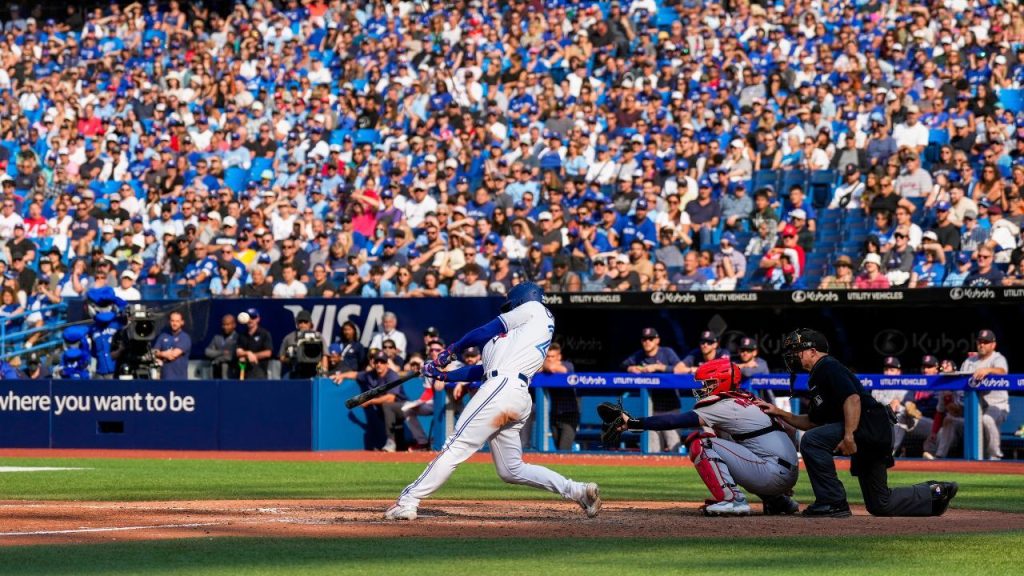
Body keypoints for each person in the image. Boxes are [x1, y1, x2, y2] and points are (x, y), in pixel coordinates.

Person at [383, 282, 600, 521]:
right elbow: (481, 370)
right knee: (511, 469)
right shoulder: (514, 338)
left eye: (510, 304)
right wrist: (443, 375)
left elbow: (487, 329)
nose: (507, 309)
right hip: (514, 395)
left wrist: (450, 350)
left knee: (455, 446)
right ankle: (578, 491)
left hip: (503, 388)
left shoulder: (535, 308)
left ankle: (408, 500)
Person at [757, 329, 958, 517]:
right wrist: (778, 412)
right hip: (872, 428)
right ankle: (935, 494)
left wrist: (849, 435)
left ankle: (832, 501)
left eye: (797, 350)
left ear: (812, 351)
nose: (793, 355)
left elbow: (852, 399)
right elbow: (812, 421)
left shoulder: (827, 366)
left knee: (812, 441)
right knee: (880, 503)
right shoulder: (818, 374)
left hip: (869, 427)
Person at [602, 358, 800, 516]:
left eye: (709, 383)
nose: (704, 387)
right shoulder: (748, 398)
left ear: (722, 381)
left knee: (701, 442)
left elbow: (675, 421)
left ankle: (733, 501)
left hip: (772, 473)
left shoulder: (723, 404)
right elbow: (789, 431)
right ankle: (778, 501)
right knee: (724, 437)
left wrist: (632, 423)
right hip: (782, 471)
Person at [620, 327, 684, 452]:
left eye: (650, 339)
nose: (647, 342)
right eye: (644, 339)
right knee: (653, 451)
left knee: (674, 447)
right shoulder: (639, 356)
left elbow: (679, 369)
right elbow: (623, 365)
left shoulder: (667, 352)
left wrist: (657, 367)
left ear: (657, 340)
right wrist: (631, 369)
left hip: (670, 409)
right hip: (650, 410)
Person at [960, 329, 1010, 460]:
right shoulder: (970, 361)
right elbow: (960, 379)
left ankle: (995, 456)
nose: (982, 344)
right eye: (980, 341)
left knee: (987, 419)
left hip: (997, 405)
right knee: (952, 421)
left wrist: (988, 369)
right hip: (974, 405)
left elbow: (1002, 371)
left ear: (993, 345)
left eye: (986, 342)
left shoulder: (998, 358)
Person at [540, 342, 580, 451]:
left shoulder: (568, 365)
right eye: (547, 356)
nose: (549, 359)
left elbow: (554, 368)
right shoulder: (545, 369)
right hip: (555, 414)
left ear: (559, 357)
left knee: (564, 449)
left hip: (570, 414)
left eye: (552, 356)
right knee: (558, 449)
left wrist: (544, 365)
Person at [278, 309, 327, 379]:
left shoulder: (318, 337)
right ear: (297, 324)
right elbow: (281, 357)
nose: (303, 324)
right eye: (300, 322)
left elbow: (325, 356)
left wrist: (324, 372)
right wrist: (291, 358)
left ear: (310, 323)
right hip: (295, 371)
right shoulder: (289, 338)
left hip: (315, 371)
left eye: (305, 322)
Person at [235, 308, 274, 380]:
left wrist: (253, 356)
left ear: (258, 319)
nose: (250, 320)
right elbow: (238, 352)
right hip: (244, 372)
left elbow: (268, 352)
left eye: (253, 317)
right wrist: (248, 353)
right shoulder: (242, 335)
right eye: (249, 318)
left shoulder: (264, 334)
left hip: (260, 370)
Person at [153, 311, 192, 381]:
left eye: (177, 321)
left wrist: (161, 354)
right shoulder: (163, 336)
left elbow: (173, 355)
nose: (174, 323)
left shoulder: (185, 338)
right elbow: (154, 352)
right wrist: (163, 354)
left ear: (182, 322)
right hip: (163, 379)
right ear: (169, 322)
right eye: (172, 321)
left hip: (179, 380)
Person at [205, 314, 239, 379]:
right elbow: (207, 352)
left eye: (228, 325)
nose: (225, 327)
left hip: (230, 373)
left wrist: (217, 358)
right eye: (224, 325)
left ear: (234, 325)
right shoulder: (217, 337)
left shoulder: (238, 338)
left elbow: (231, 356)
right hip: (215, 372)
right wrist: (222, 352)